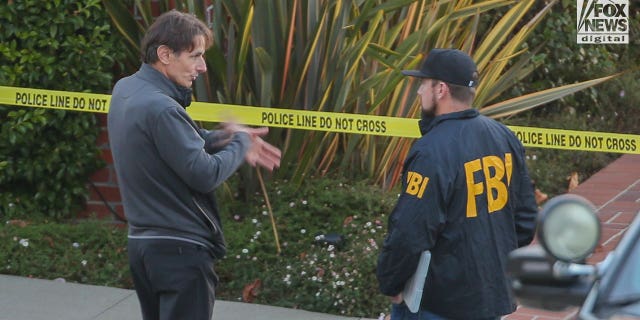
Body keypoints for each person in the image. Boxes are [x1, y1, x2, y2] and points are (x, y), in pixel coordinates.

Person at [107, 10, 281, 320]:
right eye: (195, 56)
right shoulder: (161, 107)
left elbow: (179, 138)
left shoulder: (127, 90)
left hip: (144, 248)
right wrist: (241, 144)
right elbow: (206, 174)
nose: (201, 66)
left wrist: (225, 137)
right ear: (165, 54)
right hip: (179, 253)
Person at [376, 49, 538, 320]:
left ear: (441, 89)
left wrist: (391, 283)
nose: (418, 93)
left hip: (437, 303)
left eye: (423, 84)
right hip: (488, 298)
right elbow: (525, 220)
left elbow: (410, 230)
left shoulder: (431, 151)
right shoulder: (503, 137)